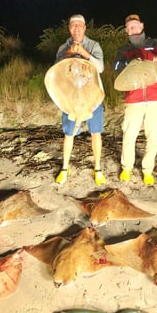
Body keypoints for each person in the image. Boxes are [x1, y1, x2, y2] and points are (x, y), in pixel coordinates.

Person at [114, 14, 157, 185]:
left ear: (142, 26)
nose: (133, 29)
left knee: (153, 134)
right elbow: (117, 67)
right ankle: (126, 167)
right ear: (126, 31)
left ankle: (147, 170)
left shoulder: (155, 44)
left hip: (156, 97)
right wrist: (131, 63)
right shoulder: (125, 50)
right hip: (133, 98)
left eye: (135, 25)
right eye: (129, 27)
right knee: (129, 134)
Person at [54, 14, 106, 186]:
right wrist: (70, 53)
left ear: (84, 28)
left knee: (95, 132)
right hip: (71, 98)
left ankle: (97, 168)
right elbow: (56, 71)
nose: (76, 28)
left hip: (93, 97)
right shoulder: (64, 47)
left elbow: (100, 67)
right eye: (73, 25)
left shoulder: (93, 45)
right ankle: (64, 168)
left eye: (79, 25)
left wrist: (83, 53)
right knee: (69, 133)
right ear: (69, 28)